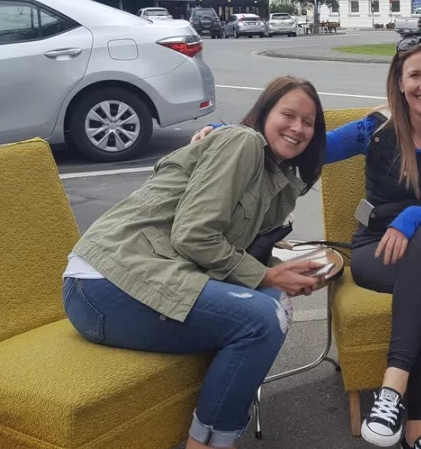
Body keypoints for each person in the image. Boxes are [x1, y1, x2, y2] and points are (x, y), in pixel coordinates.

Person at [193, 35, 421, 449]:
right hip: (377, 249)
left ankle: (391, 389)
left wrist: (413, 217)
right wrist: (226, 131)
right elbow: (300, 145)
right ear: (399, 82)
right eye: (414, 75)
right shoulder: (376, 129)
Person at [62, 76, 329, 449]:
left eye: (308, 122)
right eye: (288, 114)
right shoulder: (243, 141)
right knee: (263, 320)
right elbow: (193, 235)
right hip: (106, 281)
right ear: (264, 113)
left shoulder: (274, 177)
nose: (297, 128)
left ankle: (211, 435)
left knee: (274, 304)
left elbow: (224, 247)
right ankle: (205, 444)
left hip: (136, 281)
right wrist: (267, 274)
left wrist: (280, 275)